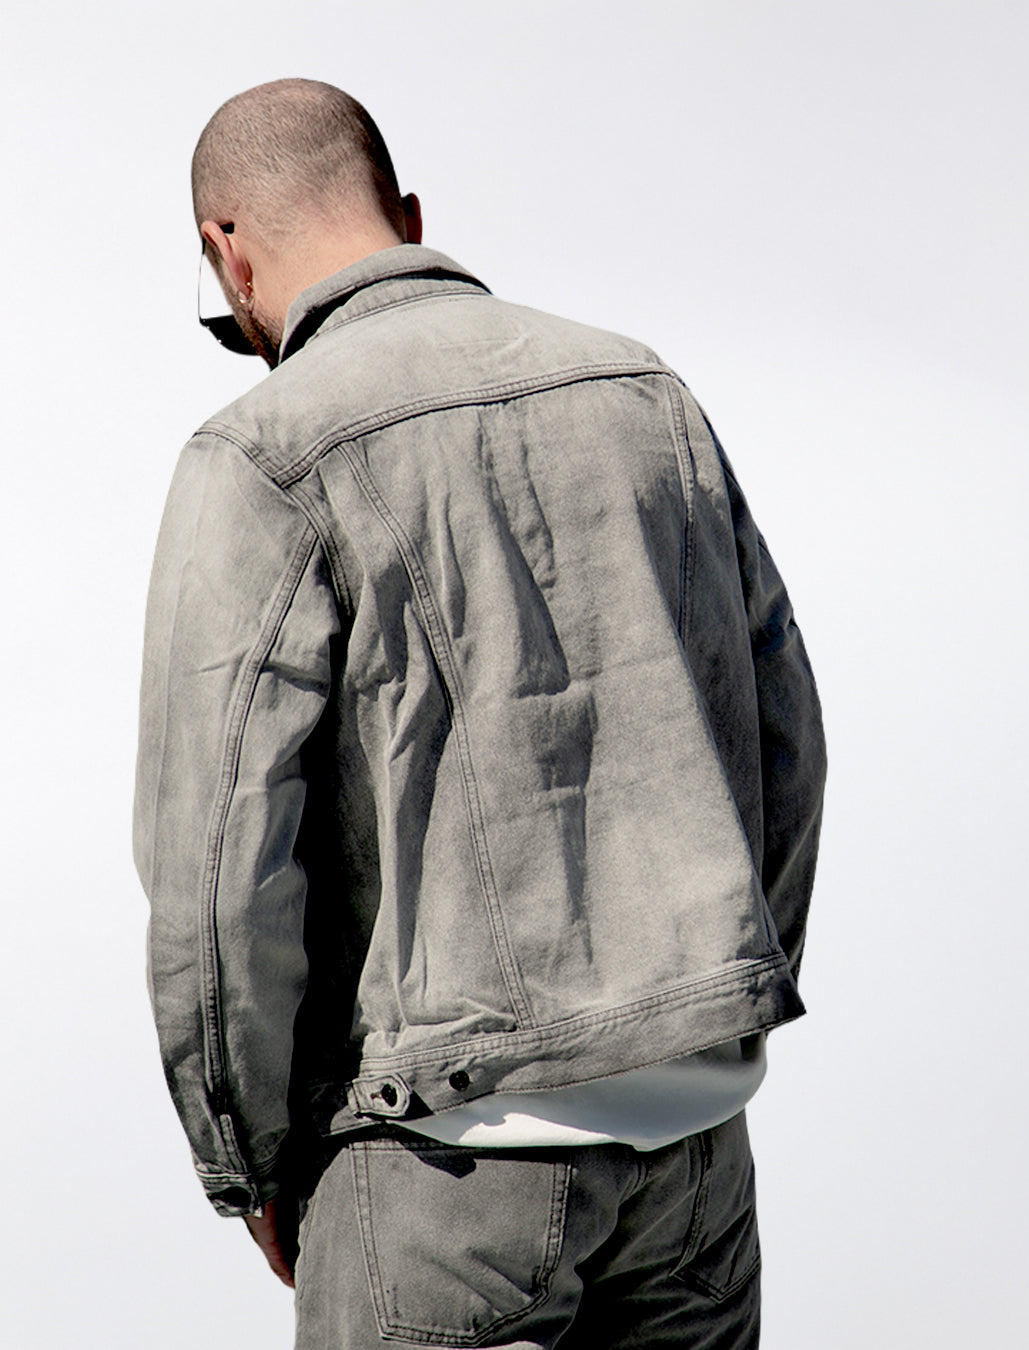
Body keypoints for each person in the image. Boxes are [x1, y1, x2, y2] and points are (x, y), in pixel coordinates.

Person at [134, 78, 826, 1350]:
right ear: (405, 217)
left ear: (227, 255)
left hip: (440, 1164)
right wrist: (707, 1008)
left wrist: (248, 1154)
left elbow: (220, 865)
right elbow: (785, 734)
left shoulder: (266, 452)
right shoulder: (642, 391)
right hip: (698, 1160)